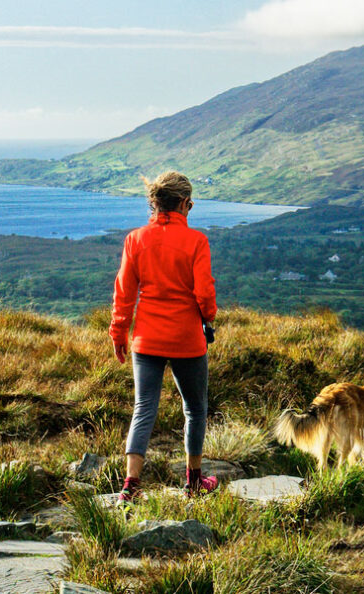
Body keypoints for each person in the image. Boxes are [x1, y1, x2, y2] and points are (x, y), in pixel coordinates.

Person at [110, 171, 218, 502]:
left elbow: (124, 293)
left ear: (155, 204)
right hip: (186, 338)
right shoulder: (196, 241)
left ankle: (130, 486)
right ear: (185, 204)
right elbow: (204, 293)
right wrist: (209, 316)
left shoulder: (135, 239)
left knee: (144, 408)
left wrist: (119, 332)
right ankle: (194, 481)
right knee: (195, 409)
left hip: (146, 338)